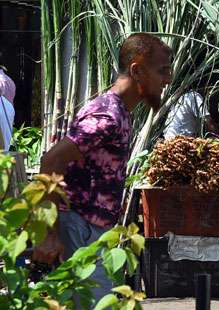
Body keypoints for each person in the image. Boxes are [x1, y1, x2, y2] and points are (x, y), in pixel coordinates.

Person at [32, 33, 172, 305]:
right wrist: (48, 235)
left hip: (88, 230)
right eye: (162, 71)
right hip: (78, 227)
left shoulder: (119, 111)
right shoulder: (107, 116)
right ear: (137, 70)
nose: (167, 79)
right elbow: (51, 161)